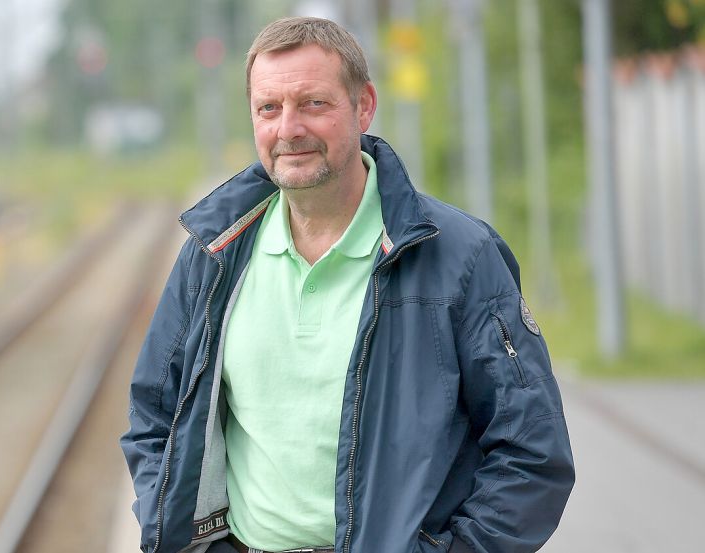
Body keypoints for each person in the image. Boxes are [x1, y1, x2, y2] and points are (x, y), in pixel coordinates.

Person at [121, 16, 574, 553]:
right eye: (269, 108)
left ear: (363, 107)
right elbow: (154, 418)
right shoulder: (213, 254)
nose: (288, 128)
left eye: (313, 103)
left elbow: (532, 450)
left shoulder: (460, 256)